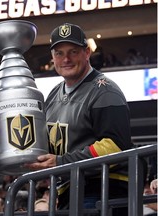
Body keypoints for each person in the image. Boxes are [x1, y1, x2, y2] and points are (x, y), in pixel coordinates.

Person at [25, 23, 134, 215]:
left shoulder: (105, 90)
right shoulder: (53, 94)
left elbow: (116, 146)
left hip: (104, 189)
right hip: (70, 188)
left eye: (73, 51)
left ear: (87, 53)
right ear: (52, 57)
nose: (66, 59)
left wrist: (62, 161)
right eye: (59, 53)